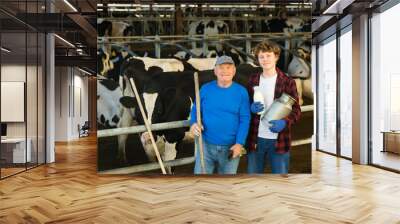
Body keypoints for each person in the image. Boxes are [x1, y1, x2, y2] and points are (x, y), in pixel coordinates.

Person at [246, 41, 301, 174]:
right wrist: (250, 108)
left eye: (268, 55)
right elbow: (244, 107)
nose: (265, 60)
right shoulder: (252, 80)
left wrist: (285, 122)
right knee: (253, 180)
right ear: (258, 60)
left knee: (280, 180)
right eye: (261, 57)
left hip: (279, 140)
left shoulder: (288, 82)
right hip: (255, 139)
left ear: (276, 56)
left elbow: (296, 111)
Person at [190, 56, 251, 174]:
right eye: (221, 67)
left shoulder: (241, 92)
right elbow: (195, 110)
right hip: (205, 146)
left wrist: (239, 143)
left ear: (234, 71)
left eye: (228, 67)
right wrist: (193, 123)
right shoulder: (205, 89)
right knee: (201, 182)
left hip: (231, 147)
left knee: (226, 185)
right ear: (215, 71)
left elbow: (245, 119)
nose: (225, 71)